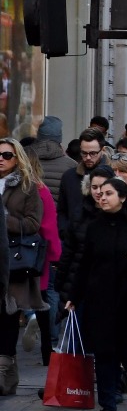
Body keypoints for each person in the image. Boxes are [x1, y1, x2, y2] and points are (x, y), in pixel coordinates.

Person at [58, 178, 127, 411]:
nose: (102, 197)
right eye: (100, 194)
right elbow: (84, 264)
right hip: (99, 301)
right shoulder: (95, 226)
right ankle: (107, 404)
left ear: (122, 197)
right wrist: (72, 296)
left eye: (108, 194)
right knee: (104, 355)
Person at [0, 138, 43, 395]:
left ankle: (4, 366)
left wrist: (4, 220)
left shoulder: (27, 187)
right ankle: (9, 371)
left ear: (17, 159)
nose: (1, 159)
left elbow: (33, 224)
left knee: (7, 316)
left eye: (7, 155)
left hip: (12, 261)